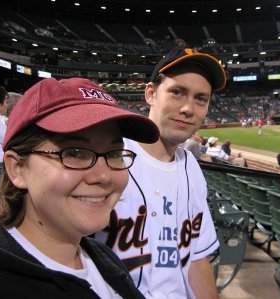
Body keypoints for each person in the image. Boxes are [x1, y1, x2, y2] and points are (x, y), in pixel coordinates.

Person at [0, 77, 160, 298]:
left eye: (114, 154)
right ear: (18, 168)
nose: (104, 175)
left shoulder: (101, 255)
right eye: (75, 153)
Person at [96, 48, 224, 298]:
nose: (189, 108)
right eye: (177, 92)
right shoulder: (107, 158)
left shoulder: (192, 168)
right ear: (151, 94)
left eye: (201, 98)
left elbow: (196, 258)